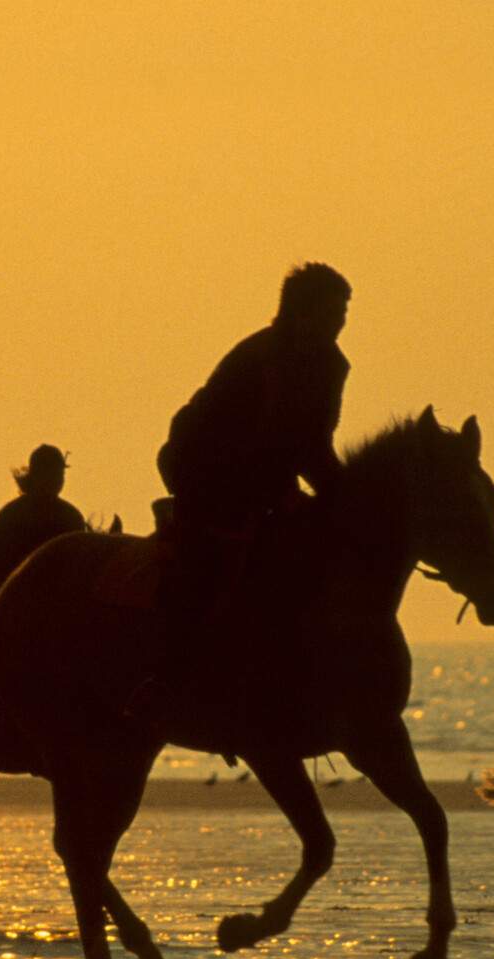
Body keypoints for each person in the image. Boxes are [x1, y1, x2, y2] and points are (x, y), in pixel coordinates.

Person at [134, 264, 352, 732]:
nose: (340, 325)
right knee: (211, 562)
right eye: (332, 314)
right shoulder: (261, 358)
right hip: (202, 466)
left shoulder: (335, 365)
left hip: (269, 474)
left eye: (344, 315)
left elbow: (317, 441)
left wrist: (346, 494)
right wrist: (281, 492)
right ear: (301, 314)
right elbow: (252, 439)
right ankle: (162, 678)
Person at [0, 444, 86, 603]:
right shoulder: (13, 514)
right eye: (53, 472)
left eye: (60, 473)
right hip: (14, 601)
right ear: (37, 474)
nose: (58, 479)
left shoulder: (71, 516)